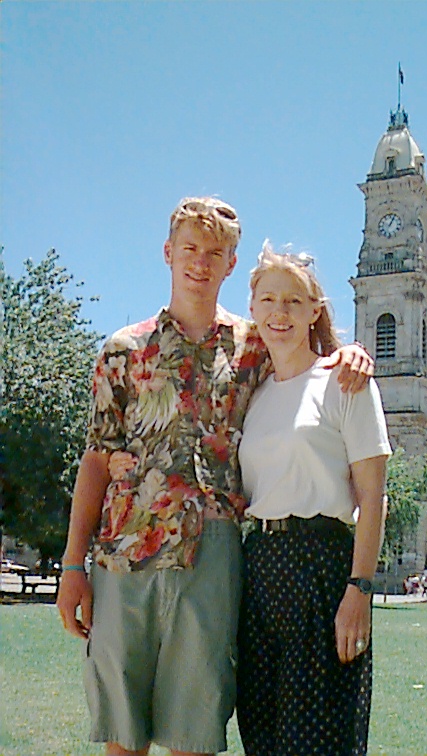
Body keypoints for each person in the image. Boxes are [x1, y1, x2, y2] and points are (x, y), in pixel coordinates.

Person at [56, 197, 374, 756]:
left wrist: (351, 354)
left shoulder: (252, 346)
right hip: (125, 556)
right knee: (122, 735)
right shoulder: (123, 351)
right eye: (189, 249)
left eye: (214, 252)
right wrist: (72, 565)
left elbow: (306, 361)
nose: (200, 263)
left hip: (213, 560)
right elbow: (96, 461)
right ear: (167, 253)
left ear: (231, 264)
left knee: (194, 733)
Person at [236, 241, 392, 756]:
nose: (279, 312)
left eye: (294, 301)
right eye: (268, 300)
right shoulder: (252, 394)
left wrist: (359, 590)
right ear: (253, 307)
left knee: (320, 737)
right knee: (262, 732)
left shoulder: (345, 382)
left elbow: (373, 496)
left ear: (314, 311)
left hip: (322, 567)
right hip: (259, 568)